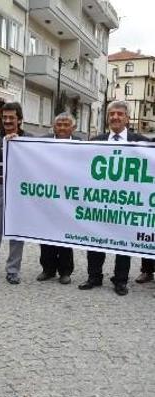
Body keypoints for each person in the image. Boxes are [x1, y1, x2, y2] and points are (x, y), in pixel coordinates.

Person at [79, 101, 154, 296]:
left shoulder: (142, 142)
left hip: (125, 205)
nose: (115, 117)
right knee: (94, 238)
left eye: (120, 114)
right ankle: (94, 276)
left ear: (127, 118)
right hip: (99, 201)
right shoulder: (95, 141)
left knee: (124, 241)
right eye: (112, 114)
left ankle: (120, 280)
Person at [0, 102, 28, 284]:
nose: (8, 121)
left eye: (12, 117)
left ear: (19, 119)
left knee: (16, 232)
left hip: (18, 191)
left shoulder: (29, 139)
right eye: (5, 117)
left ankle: (13, 270)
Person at [36, 112, 78, 285]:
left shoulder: (81, 145)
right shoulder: (42, 142)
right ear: (54, 126)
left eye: (66, 124)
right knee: (45, 234)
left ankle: (65, 271)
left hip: (69, 198)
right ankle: (48, 269)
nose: (62, 127)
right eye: (59, 124)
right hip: (47, 196)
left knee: (65, 235)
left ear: (73, 128)